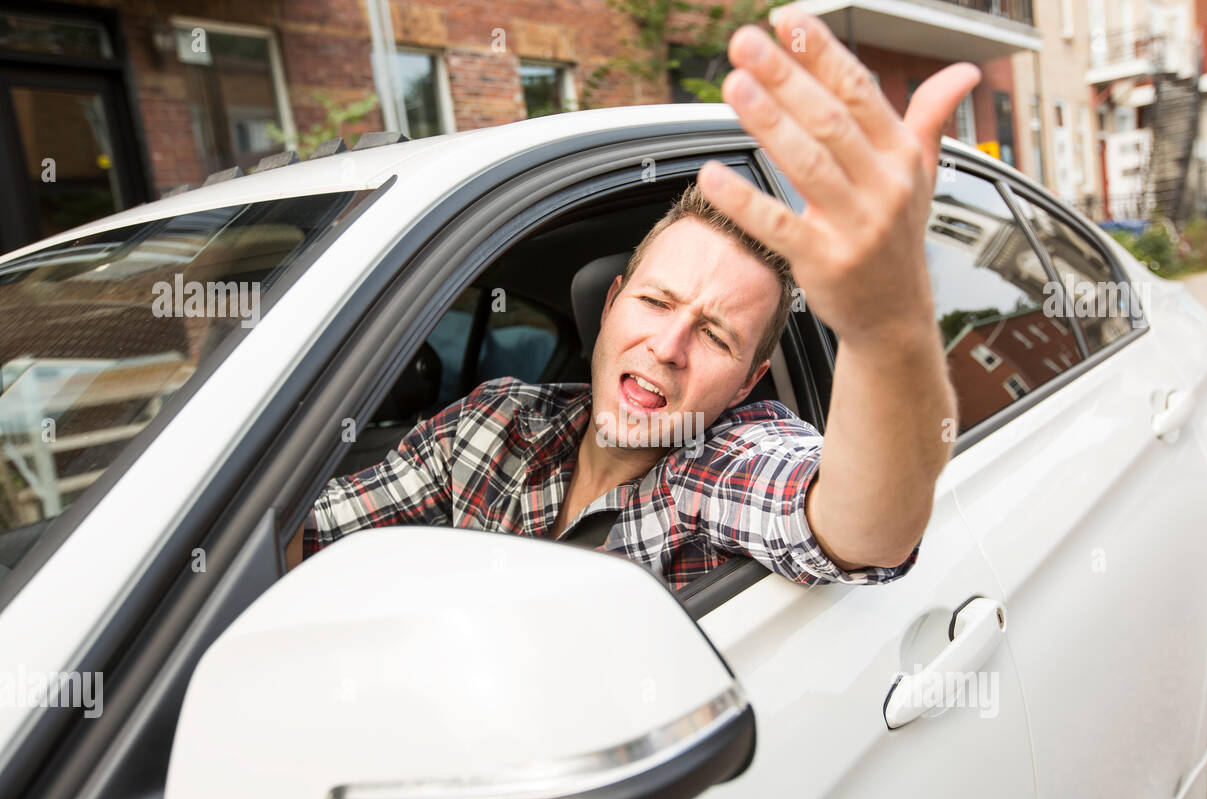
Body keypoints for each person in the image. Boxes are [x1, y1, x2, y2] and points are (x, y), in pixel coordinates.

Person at [286, 9, 978, 591]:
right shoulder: (491, 425)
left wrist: (887, 329)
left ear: (747, 384)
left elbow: (866, 530)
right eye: (655, 301)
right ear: (610, 303)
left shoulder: (713, 470)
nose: (669, 347)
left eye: (716, 335)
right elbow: (295, 546)